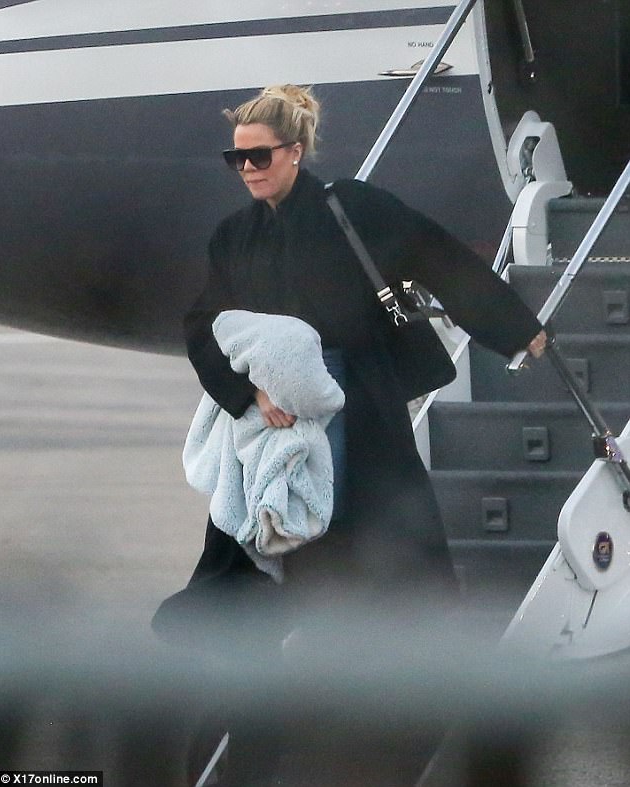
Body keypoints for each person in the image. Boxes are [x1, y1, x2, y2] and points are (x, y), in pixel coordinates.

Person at [152, 84, 546, 784]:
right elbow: (202, 327)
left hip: (358, 411)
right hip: (270, 427)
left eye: (259, 156)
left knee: (376, 563)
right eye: (236, 159)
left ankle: (390, 712)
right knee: (266, 556)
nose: (247, 170)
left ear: (295, 151)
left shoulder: (355, 209)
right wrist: (250, 393)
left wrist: (516, 327)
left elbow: (438, 258)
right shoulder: (234, 236)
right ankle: (267, 727)